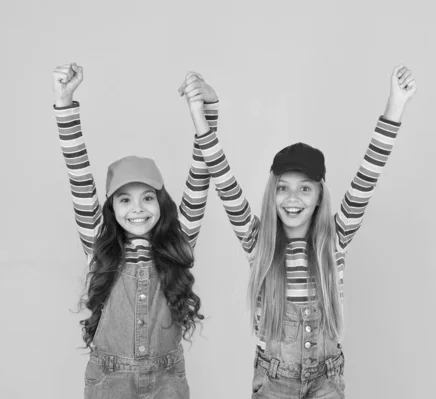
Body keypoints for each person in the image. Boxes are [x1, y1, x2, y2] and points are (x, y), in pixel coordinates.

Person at [178, 65, 417, 398]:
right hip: (274, 378)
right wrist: (201, 113)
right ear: (272, 193)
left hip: (327, 378)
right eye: (283, 188)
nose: (292, 199)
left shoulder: (336, 237)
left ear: (320, 194)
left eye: (305, 189)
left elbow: (369, 173)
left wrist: (396, 104)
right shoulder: (257, 241)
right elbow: (223, 178)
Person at [52, 63, 216, 399]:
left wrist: (206, 110)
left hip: (168, 378)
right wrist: (65, 104)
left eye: (147, 198)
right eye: (124, 199)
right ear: (111, 207)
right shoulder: (97, 242)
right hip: (109, 379)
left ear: (162, 202)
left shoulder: (178, 240)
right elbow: (79, 174)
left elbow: (202, 173)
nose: (137, 208)